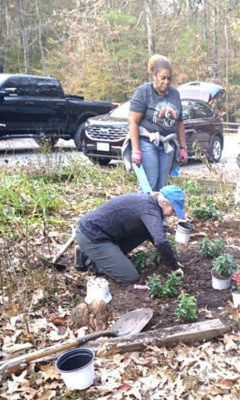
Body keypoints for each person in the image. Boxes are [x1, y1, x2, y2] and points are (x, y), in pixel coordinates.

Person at [75, 185, 186, 283]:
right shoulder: (150, 211)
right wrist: (174, 266)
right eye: (173, 210)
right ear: (163, 202)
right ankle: (88, 259)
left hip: (107, 235)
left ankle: (94, 253)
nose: (173, 214)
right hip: (92, 236)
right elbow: (160, 241)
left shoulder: (148, 202)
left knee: (146, 231)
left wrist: (170, 259)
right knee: (129, 276)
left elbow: (155, 235)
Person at [129, 55, 188, 192]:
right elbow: (133, 121)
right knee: (150, 181)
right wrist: (136, 150)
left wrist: (183, 148)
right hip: (147, 142)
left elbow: (179, 122)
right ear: (154, 76)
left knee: (162, 184)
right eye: (163, 78)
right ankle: (144, 211)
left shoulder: (174, 94)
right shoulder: (144, 92)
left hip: (166, 144)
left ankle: (157, 213)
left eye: (169, 78)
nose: (166, 82)